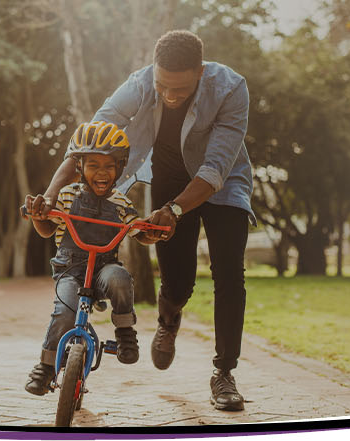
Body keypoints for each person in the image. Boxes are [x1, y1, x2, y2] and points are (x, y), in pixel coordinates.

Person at [44, 30, 254, 411]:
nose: (170, 96)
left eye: (181, 90)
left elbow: (216, 166)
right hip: (170, 181)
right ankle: (169, 317)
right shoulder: (140, 84)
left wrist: (174, 211)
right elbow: (90, 140)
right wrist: (51, 192)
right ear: (153, 73)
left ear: (200, 73)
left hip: (222, 184)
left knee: (229, 274)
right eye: (163, 87)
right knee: (178, 282)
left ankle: (224, 373)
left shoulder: (230, 88)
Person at [21, 121, 165, 397]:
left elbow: (138, 231)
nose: (102, 172)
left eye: (109, 166)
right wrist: (39, 217)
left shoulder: (122, 203)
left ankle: (125, 333)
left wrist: (153, 233)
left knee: (120, 279)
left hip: (104, 269)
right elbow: (47, 229)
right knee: (64, 313)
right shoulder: (65, 195)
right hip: (70, 270)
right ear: (80, 168)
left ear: (120, 168)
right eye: (93, 165)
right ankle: (46, 366)